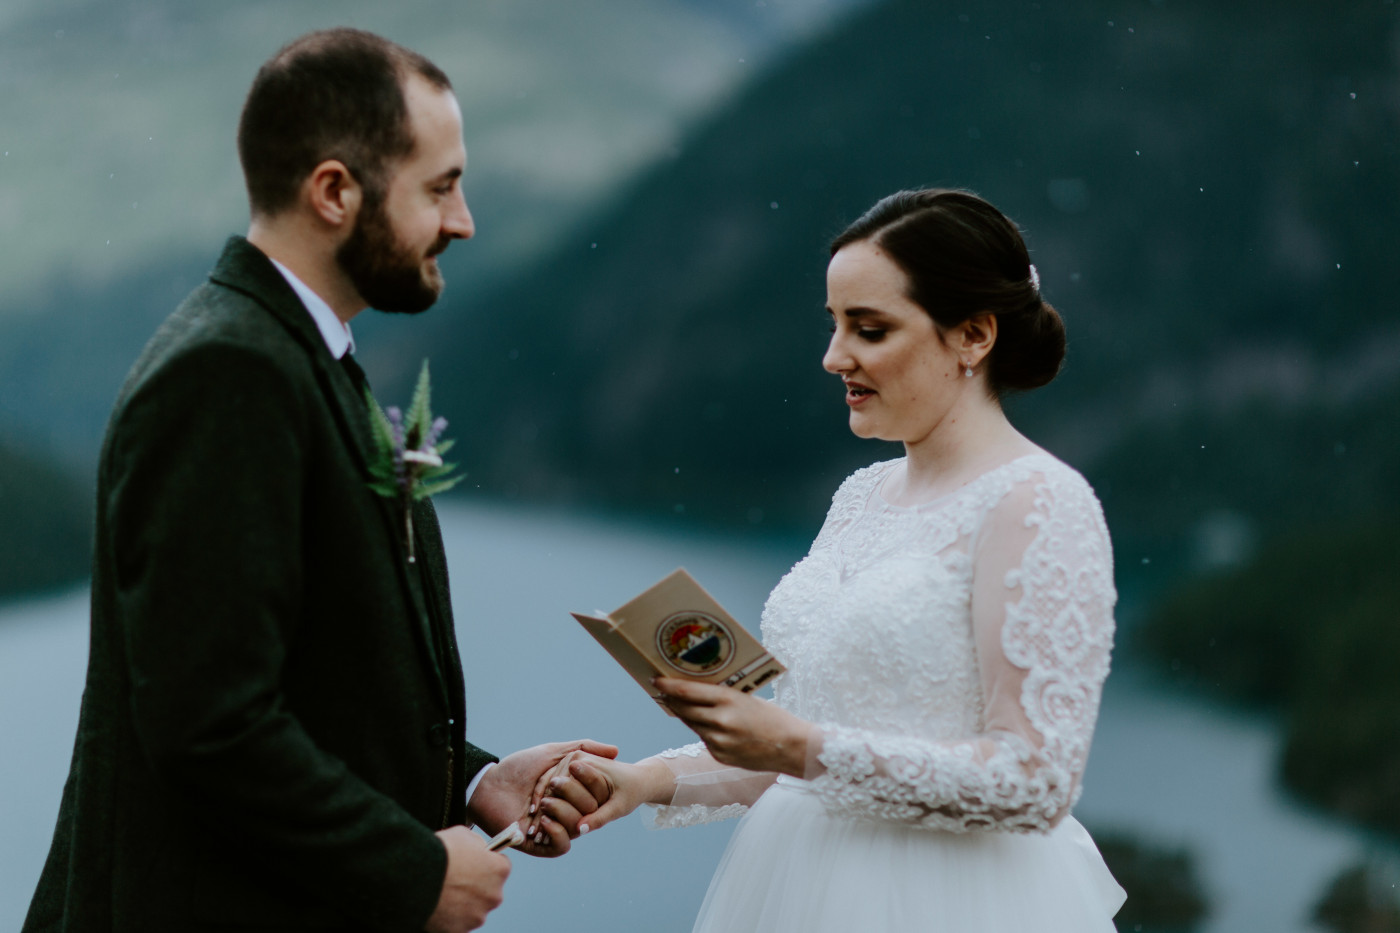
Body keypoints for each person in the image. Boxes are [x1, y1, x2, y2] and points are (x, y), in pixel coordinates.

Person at [23, 29, 613, 933]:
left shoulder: (299, 355)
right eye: (441, 187)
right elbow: (208, 721)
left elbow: (320, 684)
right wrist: (411, 868)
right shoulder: (228, 371)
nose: (464, 222)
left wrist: (477, 778)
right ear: (335, 191)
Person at [534, 189, 1127, 931]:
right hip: (794, 885)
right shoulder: (861, 495)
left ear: (973, 334)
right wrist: (643, 779)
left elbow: (1034, 782)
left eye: (869, 329)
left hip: (952, 902)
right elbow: (812, 743)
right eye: (835, 324)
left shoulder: (1039, 501)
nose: (833, 356)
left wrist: (796, 743)